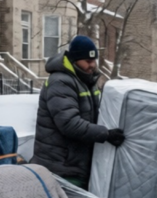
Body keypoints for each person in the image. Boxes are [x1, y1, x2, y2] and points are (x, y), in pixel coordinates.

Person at [32, 36, 125, 188]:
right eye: (88, 61)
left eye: (94, 60)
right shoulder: (61, 81)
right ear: (75, 60)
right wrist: (106, 134)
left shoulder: (86, 81)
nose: (92, 65)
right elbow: (69, 123)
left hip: (76, 165)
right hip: (61, 168)